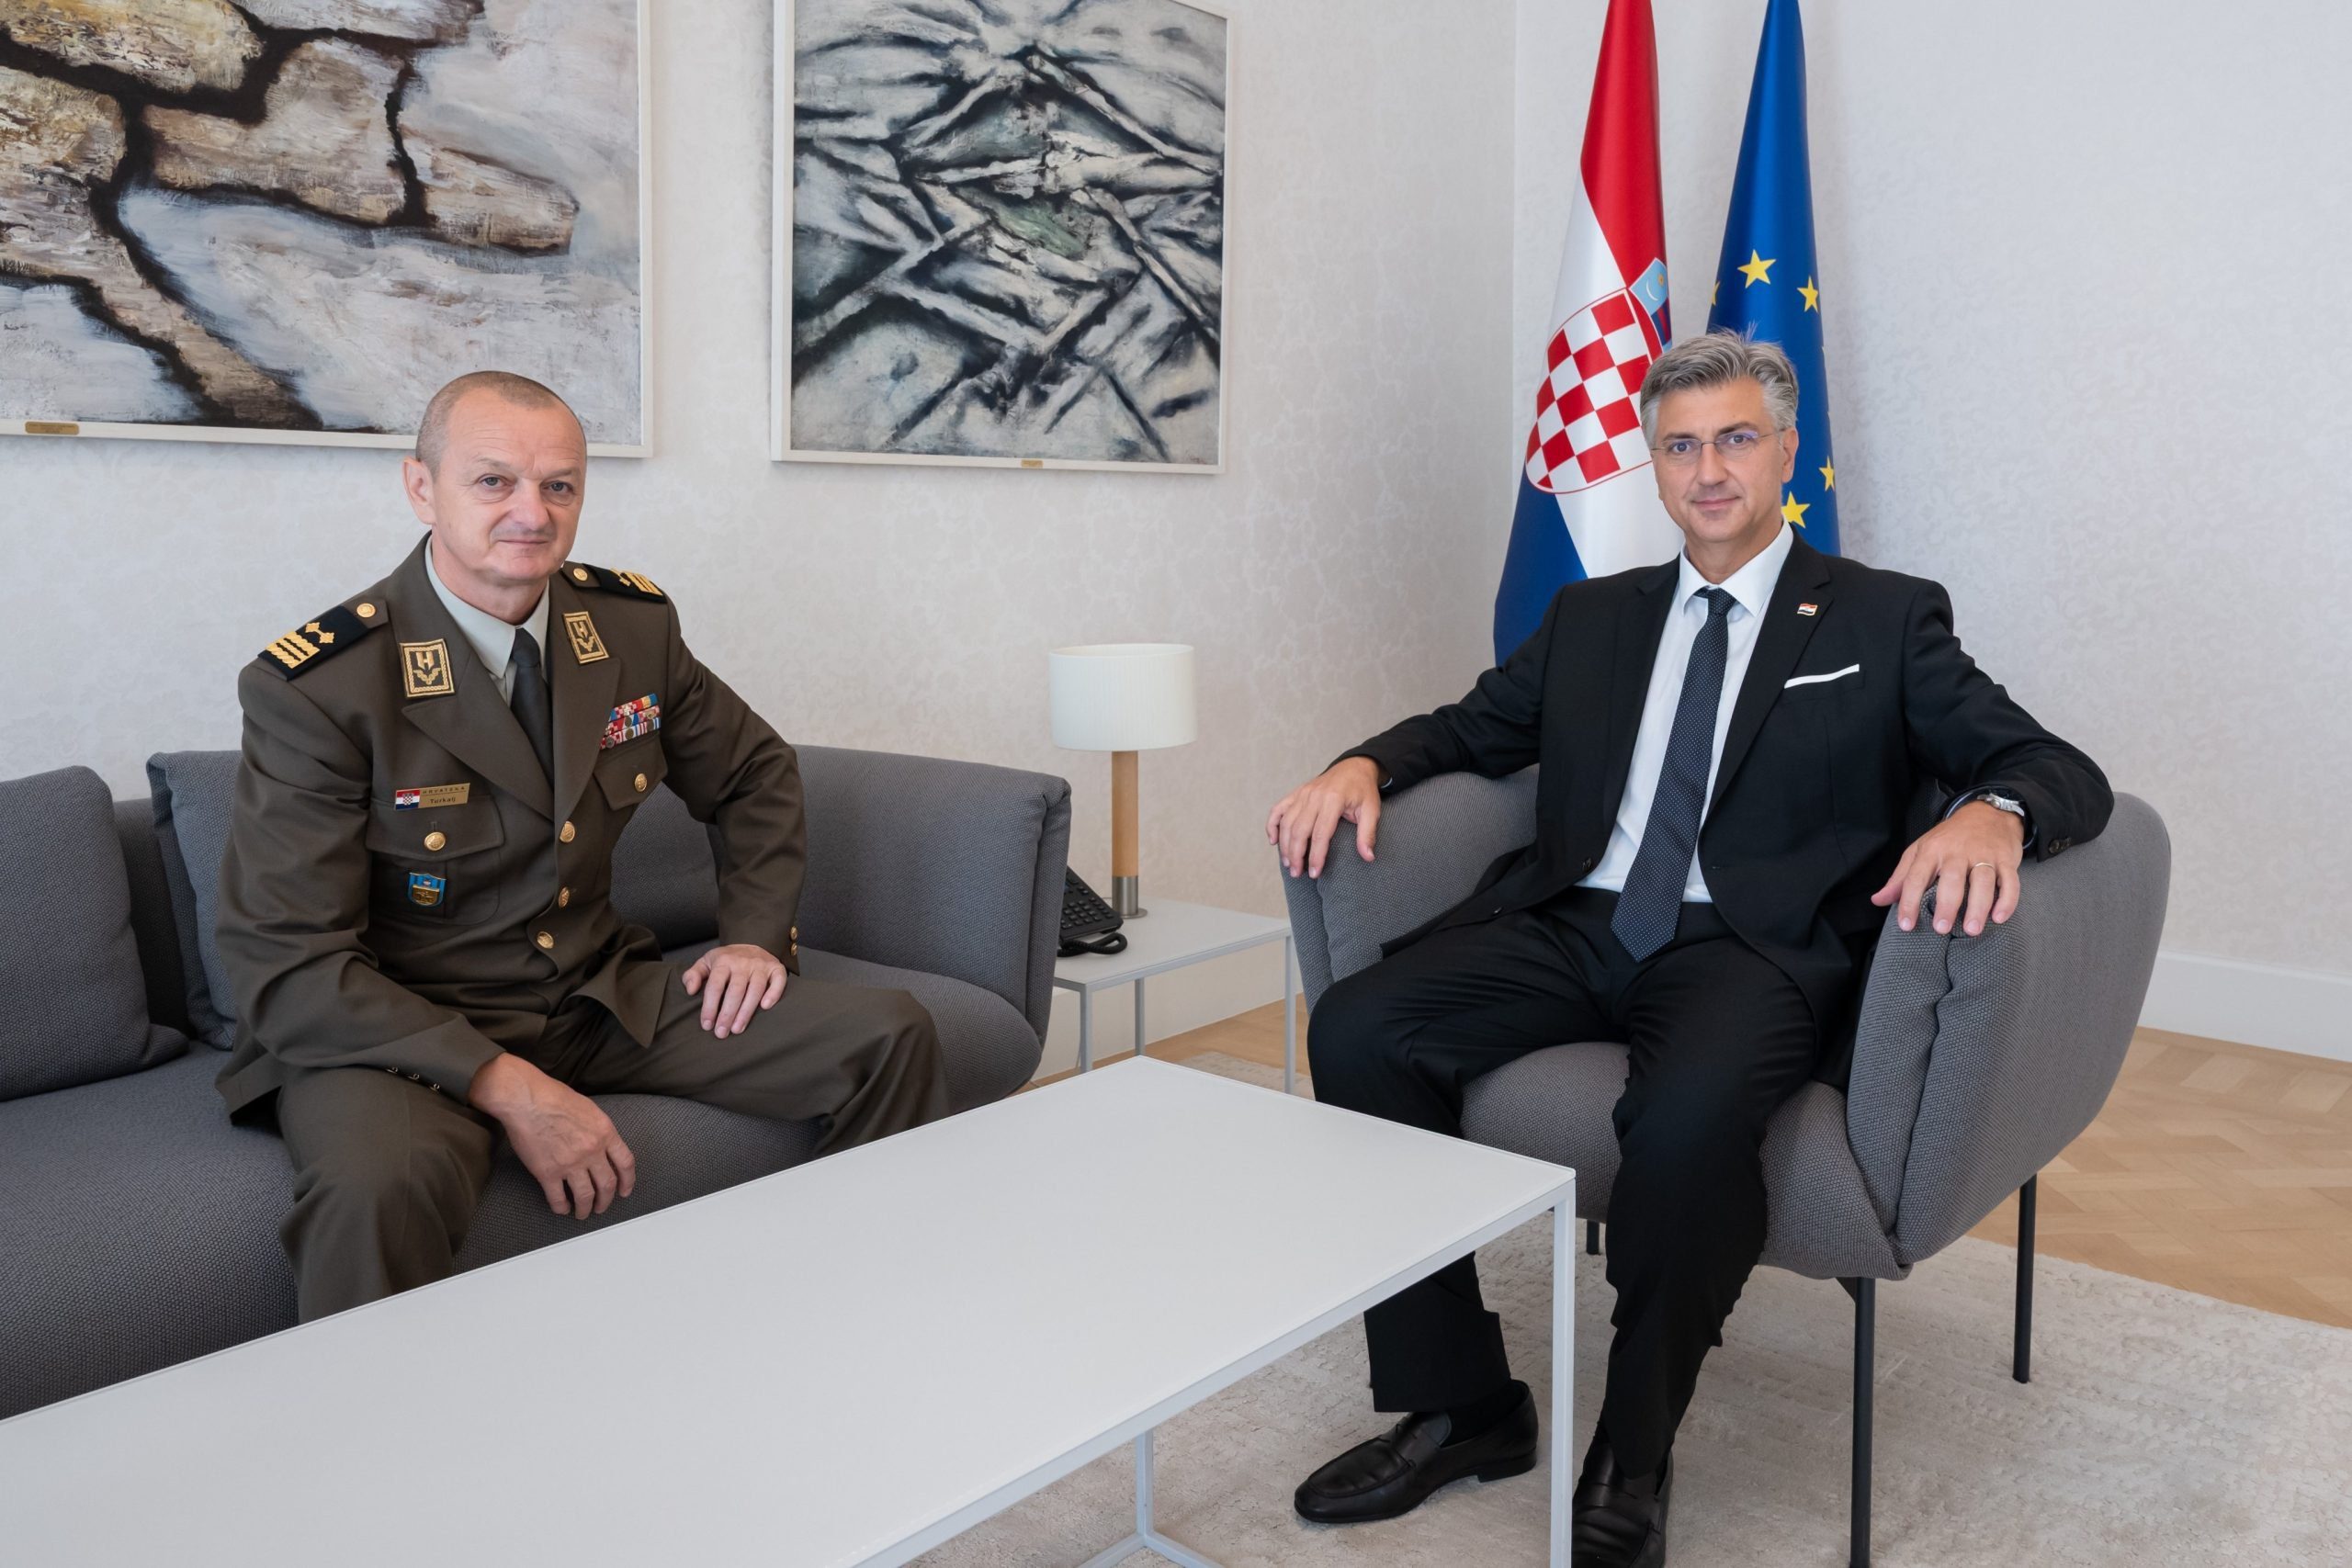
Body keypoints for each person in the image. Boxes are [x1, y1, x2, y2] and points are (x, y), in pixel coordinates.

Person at [1265, 333, 2110, 1565]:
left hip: (1751, 947)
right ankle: (1463, 1404)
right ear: (1654, 465)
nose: (1707, 469)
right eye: (1680, 446)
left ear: (1784, 451)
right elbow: (1472, 727)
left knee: (1682, 1126)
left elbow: (2052, 763)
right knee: (1357, 1028)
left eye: (1734, 439)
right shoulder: (1592, 615)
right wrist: (1362, 762)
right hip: (1578, 920)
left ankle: (1635, 1443)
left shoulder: (1880, 615)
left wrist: (1995, 809)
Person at [215, 370, 949, 1320]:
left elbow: (754, 772)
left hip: (592, 997)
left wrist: (755, 936)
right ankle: (380, 1420)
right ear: (420, 487)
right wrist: (508, 1086)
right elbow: (289, 962)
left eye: (558, 484)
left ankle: (859, 1314)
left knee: (889, 1033)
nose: (532, 512)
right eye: (493, 481)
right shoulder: (324, 686)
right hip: (395, 1034)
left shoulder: (628, 629)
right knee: (377, 1190)